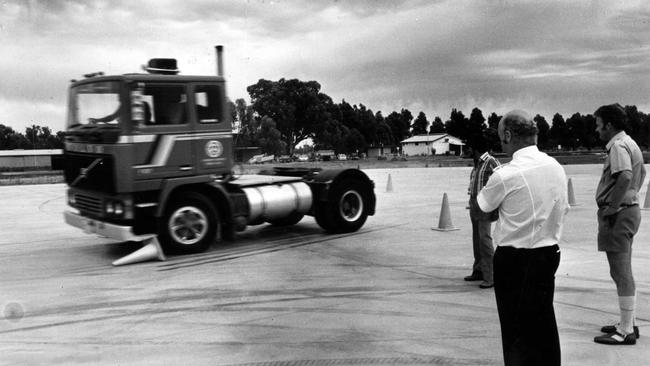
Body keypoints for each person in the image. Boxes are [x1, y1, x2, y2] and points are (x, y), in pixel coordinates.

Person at [477, 110, 569, 366]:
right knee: (544, 324)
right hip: (549, 253)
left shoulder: (507, 173)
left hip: (514, 259)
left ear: (508, 135)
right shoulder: (555, 167)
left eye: (501, 137)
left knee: (515, 331)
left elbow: (480, 210)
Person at [592, 104, 646, 345]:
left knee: (619, 271)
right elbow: (640, 173)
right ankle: (628, 321)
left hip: (619, 214)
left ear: (609, 125)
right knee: (624, 270)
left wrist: (613, 207)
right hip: (630, 210)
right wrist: (631, 194)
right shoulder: (630, 142)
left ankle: (625, 331)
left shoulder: (617, 146)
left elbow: (624, 175)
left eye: (598, 123)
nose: (597, 129)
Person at [465, 141, 500, 289]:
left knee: (484, 240)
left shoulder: (490, 161)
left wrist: (495, 204)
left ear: (475, 149)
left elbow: (501, 179)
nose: (466, 151)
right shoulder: (477, 163)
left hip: (485, 204)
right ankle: (478, 270)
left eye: (468, 148)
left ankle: (490, 276)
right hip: (474, 203)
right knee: (477, 239)